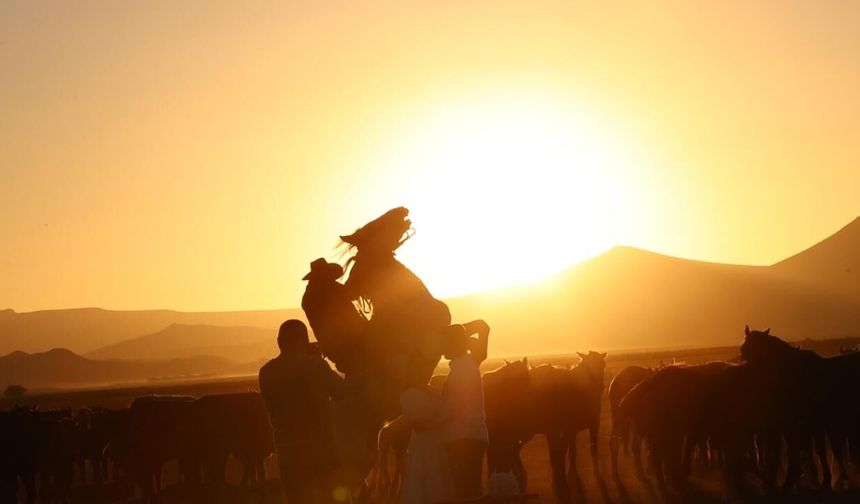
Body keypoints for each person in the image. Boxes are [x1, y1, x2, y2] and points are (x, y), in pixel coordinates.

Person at [259, 319, 347, 504]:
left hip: (287, 451)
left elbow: (272, 406)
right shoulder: (315, 367)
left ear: (279, 341)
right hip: (321, 451)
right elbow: (341, 392)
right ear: (304, 341)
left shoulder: (266, 372)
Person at [438, 320, 491, 500]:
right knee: (468, 490)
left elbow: (453, 406)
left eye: (445, 341)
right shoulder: (467, 365)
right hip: (469, 437)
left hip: (463, 438)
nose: (441, 346)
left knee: (464, 493)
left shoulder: (462, 369)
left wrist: (430, 417)